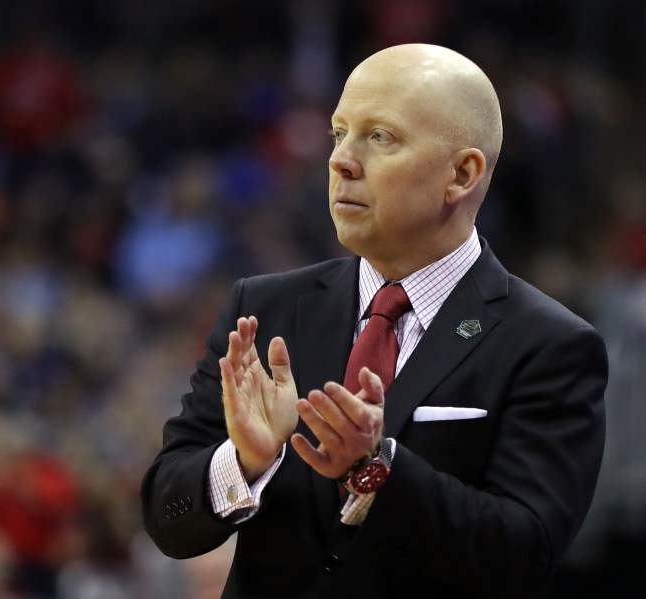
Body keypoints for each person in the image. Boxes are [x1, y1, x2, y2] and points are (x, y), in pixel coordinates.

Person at [140, 43, 608, 598]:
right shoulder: (262, 309)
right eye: (339, 132)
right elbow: (168, 519)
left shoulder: (550, 345)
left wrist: (375, 470)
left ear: (461, 173)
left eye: (380, 136)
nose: (340, 159)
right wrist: (243, 463)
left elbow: (524, 556)